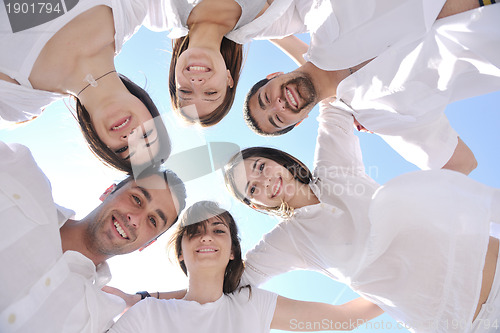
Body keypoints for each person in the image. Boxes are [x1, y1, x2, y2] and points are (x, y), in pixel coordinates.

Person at [223, 100, 500, 332]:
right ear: (256, 205)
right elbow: (229, 286)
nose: (265, 180)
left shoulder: (333, 169)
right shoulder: (286, 241)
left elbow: (331, 94)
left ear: (275, 159)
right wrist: (178, 302)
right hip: (469, 323)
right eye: (253, 188)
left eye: (260, 167)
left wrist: (276, 37)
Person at [243, 1, 500, 174]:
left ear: (274, 75)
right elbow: (460, 164)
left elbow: (255, 13)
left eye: (266, 98)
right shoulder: (378, 116)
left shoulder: (319, 14)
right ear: (300, 121)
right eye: (278, 119)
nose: (279, 104)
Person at [166, 0, 454, 127]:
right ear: (228, 80)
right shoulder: (275, 21)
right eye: (278, 119)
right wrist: (346, 106)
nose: (198, 84)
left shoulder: (162, 11)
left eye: (186, 92)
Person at [107, 200, 383, 333]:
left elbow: (342, 319)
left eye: (218, 230)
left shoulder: (251, 304)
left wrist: (407, 282)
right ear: (180, 252)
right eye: (195, 231)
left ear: (232, 253)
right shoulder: (150, 313)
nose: (206, 237)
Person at [0, 140, 187, 333]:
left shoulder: (98, 321)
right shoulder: (20, 178)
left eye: (153, 221)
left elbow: (210, 303)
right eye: (136, 198)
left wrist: (138, 299)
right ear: (108, 192)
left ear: (147, 245)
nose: (135, 219)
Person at [0, 0, 172, 173]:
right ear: (150, 111)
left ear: (99, 145)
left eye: (122, 150)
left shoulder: (16, 100)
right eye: (146, 135)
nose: (130, 138)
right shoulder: (132, 8)